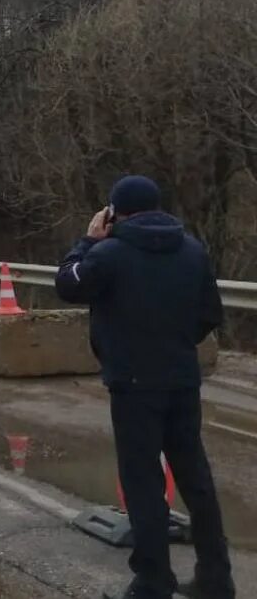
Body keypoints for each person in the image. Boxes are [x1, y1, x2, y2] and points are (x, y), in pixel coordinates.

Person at [55, 175, 233, 599]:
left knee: (143, 482)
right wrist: (176, 344)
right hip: (182, 378)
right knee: (196, 478)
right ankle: (215, 576)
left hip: (133, 382)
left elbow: (67, 284)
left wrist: (87, 242)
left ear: (115, 212)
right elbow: (210, 313)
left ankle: (153, 581)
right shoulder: (192, 250)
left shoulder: (110, 253)